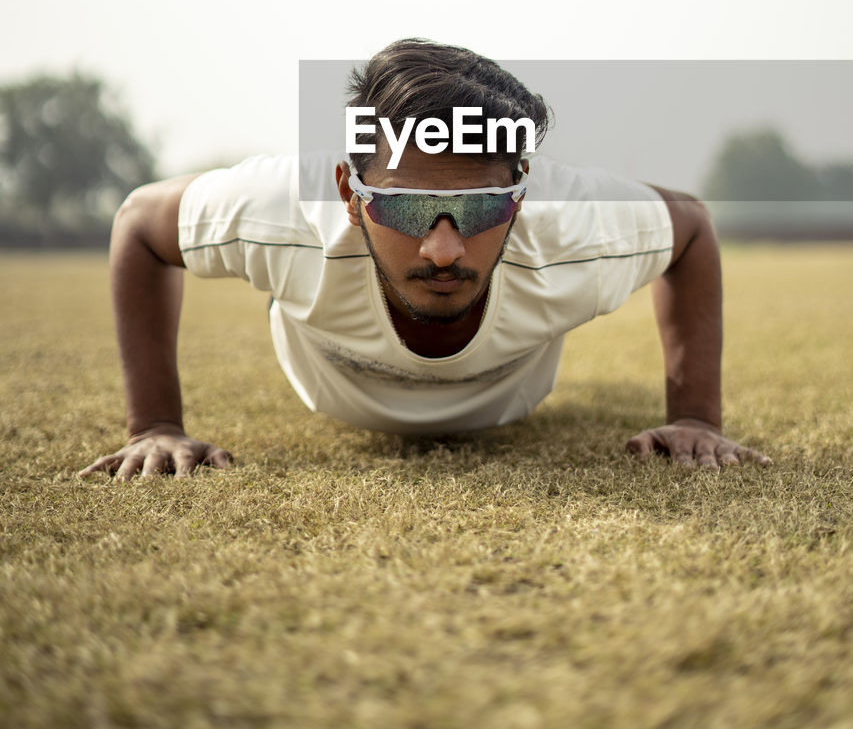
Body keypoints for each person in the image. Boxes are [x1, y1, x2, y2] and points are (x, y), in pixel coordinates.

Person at [80, 39, 770, 481]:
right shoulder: (283, 211)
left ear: (521, 193)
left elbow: (690, 228)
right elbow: (141, 223)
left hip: (511, 397)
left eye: (478, 210)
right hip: (319, 355)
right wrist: (156, 426)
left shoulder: (574, 223)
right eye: (407, 208)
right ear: (351, 193)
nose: (443, 249)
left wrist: (695, 418)